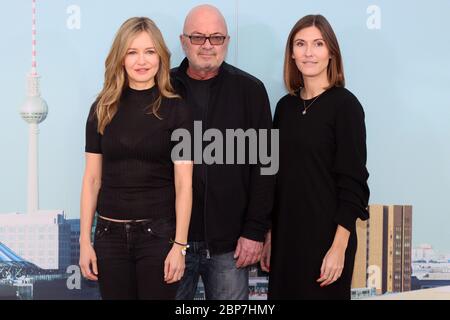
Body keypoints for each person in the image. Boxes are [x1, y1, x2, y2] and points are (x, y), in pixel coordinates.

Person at [79, 17, 193, 300]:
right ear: (120, 58)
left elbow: (184, 185)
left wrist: (179, 246)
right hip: (108, 239)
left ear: (160, 57)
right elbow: (92, 180)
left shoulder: (179, 111)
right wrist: (84, 240)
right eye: (132, 52)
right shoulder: (101, 109)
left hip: (158, 238)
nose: (141, 61)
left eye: (149, 51)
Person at [261, 14, 370, 300]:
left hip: (327, 240)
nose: (309, 52)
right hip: (286, 238)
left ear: (331, 52)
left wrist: (339, 248)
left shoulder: (345, 106)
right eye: (300, 44)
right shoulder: (284, 108)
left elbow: (354, 183)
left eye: (318, 44)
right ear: (292, 54)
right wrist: (270, 235)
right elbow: (273, 176)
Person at [172, 5, 274, 300]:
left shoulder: (251, 91)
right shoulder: (162, 89)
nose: (207, 45)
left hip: (231, 246)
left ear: (227, 42)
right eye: (198, 37)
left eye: (216, 38)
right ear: (182, 41)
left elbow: (266, 167)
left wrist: (255, 231)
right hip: (172, 243)